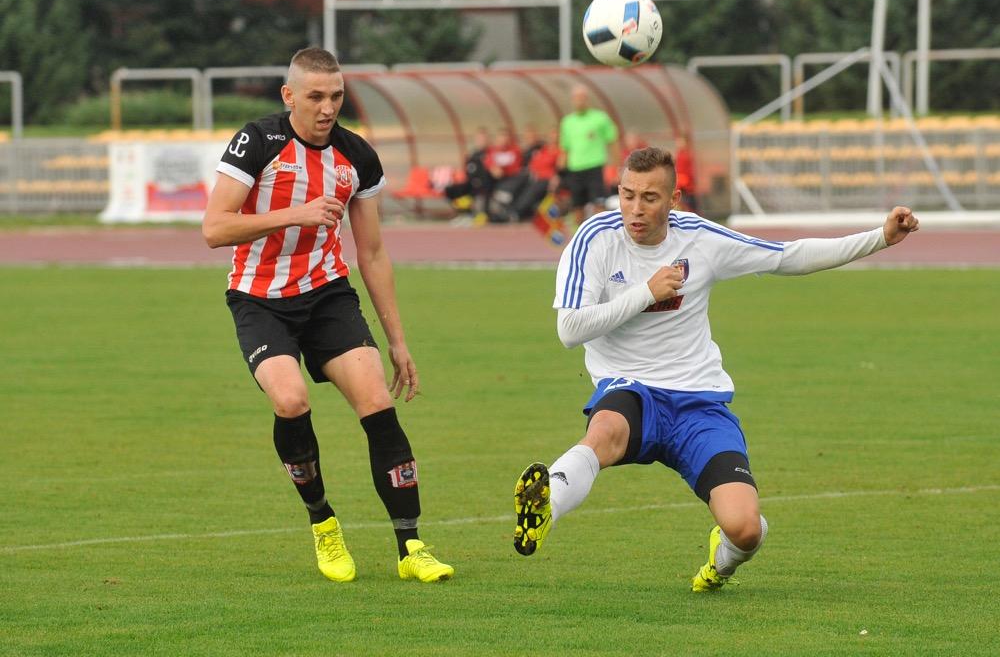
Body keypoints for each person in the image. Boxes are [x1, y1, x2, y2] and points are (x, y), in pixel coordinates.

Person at [512, 147, 919, 591]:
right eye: (627, 195)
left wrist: (880, 237)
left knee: (745, 528)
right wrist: (645, 292)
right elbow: (570, 329)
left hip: (698, 402)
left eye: (650, 197)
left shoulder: (701, 239)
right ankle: (547, 502)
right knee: (604, 430)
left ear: (674, 198)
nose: (635, 209)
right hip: (630, 390)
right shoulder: (594, 239)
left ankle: (719, 565)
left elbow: (789, 256)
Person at [202, 47, 453, 584]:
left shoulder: (357, 156)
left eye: (336, 96)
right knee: (291, 400)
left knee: (377, 402)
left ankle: (412, 547)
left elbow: (374, 253)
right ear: (289, 96)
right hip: (259, 298)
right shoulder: (258, 141)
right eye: (315, 96)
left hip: (327, 296)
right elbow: (214, 229)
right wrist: (297, 213)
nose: (327, 107)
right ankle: (323, 523)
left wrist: (398, 340)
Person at [559, 85, 619, 225]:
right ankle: (578, 241)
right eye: (576, 98)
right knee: (577, 208)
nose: (579, 101)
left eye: (582, 98)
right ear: (572, 100)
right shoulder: (567, 122)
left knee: (599, 206)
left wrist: (616, 168)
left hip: (595, 168)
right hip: (574, 169)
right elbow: (564, 148)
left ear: (587, 99)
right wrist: (559, 172)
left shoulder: (600, 118)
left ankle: (602, 240)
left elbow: (613, 142)